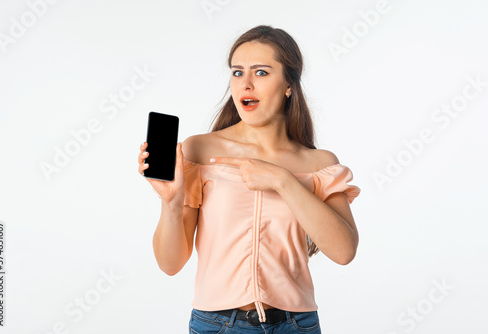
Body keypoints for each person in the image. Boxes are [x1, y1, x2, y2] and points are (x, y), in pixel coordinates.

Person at [138, 25, 361, 334]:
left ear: (288, 85)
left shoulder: (319, 164)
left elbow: (344, 251)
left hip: (296, 325)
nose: (246, 84)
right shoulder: (200, 151)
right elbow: (170, 264)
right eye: (238, 72)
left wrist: (283, 181)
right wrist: (172, 202)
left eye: (261, 73)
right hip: (216, 324)